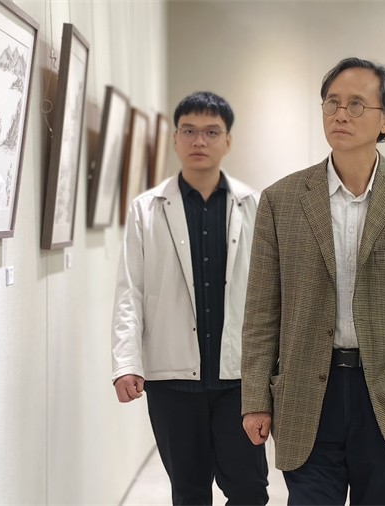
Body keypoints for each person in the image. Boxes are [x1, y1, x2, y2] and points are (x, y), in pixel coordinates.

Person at [240, 57, 385, 505]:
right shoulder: (281, 200)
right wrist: (256, 398)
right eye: (332, 103)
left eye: (356, 104)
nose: (340, 114)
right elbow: (262, 312)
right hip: (306, 394)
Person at [111, 91, 269, 505]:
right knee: (189, 492)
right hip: (172, 380)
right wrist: (126, 363)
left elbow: (272, 293)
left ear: (228, 141)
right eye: (189, 131)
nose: (199, 140)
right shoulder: (146, 210)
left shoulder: (255, 206)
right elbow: (130, 292)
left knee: (249, 490)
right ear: (175, 138)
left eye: (212, 132)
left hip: (239, 379)